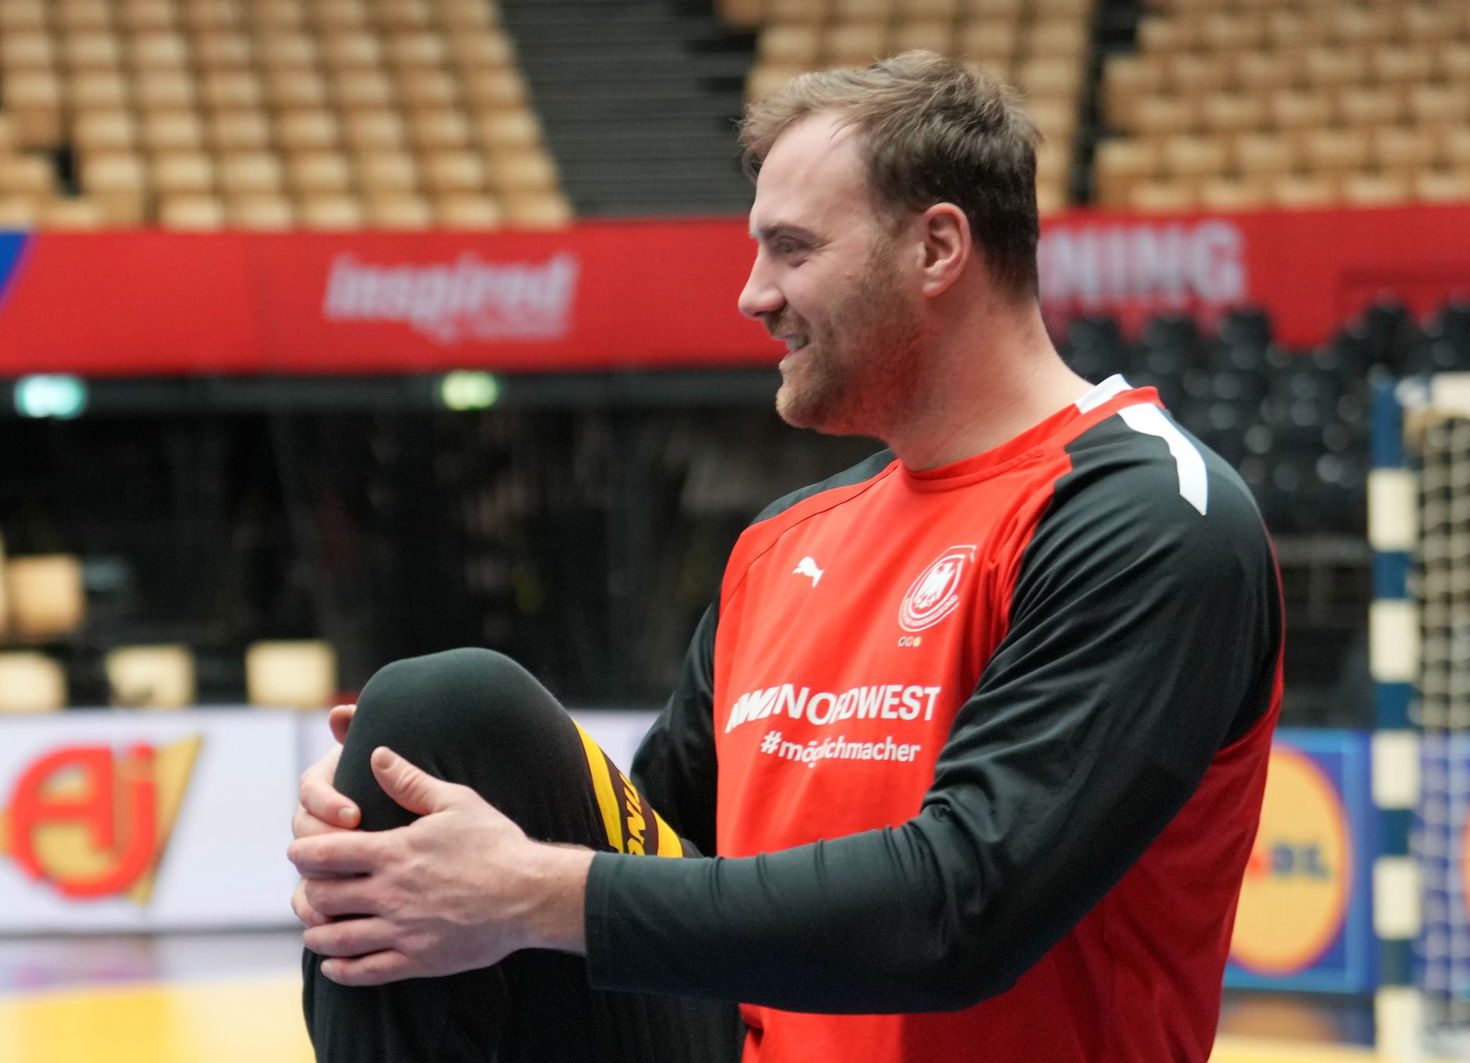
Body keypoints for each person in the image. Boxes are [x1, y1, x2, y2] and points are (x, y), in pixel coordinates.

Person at [290, 52, 1283, 1063]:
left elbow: (965, 909)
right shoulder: (784, 543)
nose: (752, 296)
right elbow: (666, 863)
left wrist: (527, 890)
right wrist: (413, 824)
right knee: (435, 718)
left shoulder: (1144, 512)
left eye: (791, 249)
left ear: (937, 248)